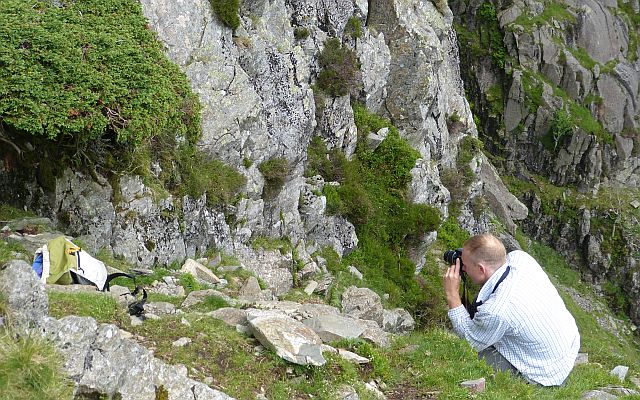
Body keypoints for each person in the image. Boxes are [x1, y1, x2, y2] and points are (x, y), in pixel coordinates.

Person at [443, 233, 580, 386]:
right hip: (567, 349)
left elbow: (470, 341)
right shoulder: (521, 258)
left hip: (545, 373)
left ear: (481, 269)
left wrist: (452, 294)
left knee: (464, 354)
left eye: (466, 266)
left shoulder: (495, 311)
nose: (463, 268)